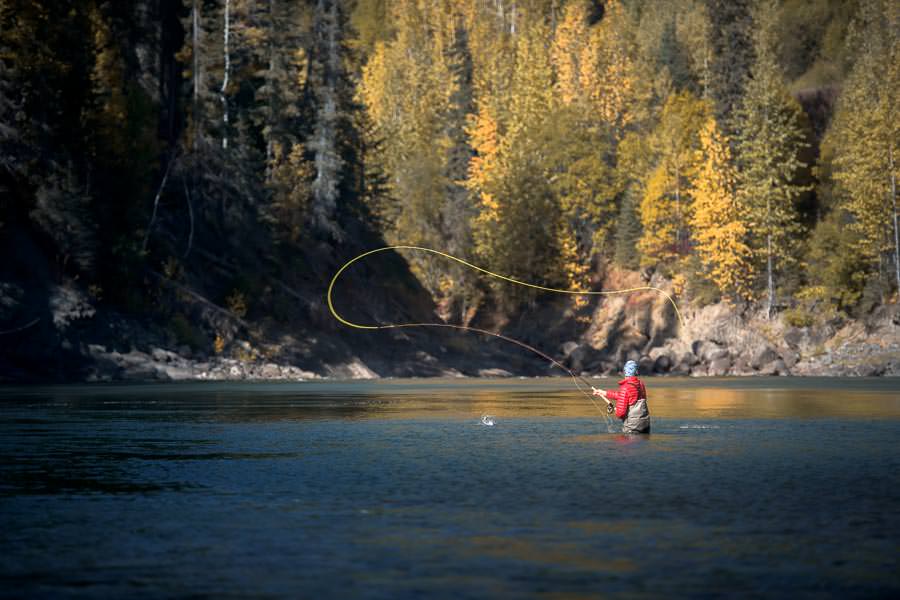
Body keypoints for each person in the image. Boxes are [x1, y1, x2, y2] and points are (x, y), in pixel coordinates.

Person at [592, 360, 650, 433]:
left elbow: (620, 413)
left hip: (632, 428)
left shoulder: (625, 388)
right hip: (645, 425)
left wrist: (616, 410)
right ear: (636, 372)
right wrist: (604, 393)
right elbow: (627, 396)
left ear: (625, 372)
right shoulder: (641, 384)